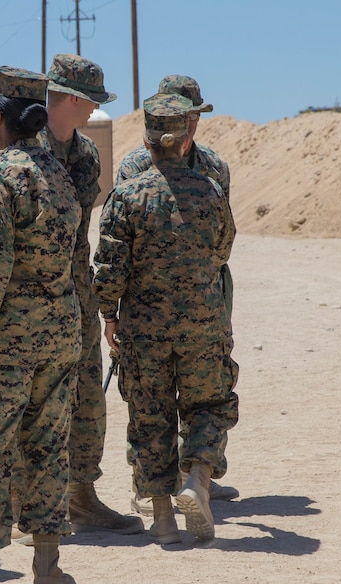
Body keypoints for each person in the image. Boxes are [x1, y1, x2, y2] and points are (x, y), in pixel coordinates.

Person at [0, 66, 82, 584]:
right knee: (48, 448)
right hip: (59, 337)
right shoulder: (61, 177)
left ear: (2, 118)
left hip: (7, 343)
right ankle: (48, 572)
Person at [94, 93, 239, 544]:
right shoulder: (210, 189)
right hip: (203, 322)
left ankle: (161, 519)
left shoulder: (127, 194)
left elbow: (110, 267)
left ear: (147, 139)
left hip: (144, 326)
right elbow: (222, 250)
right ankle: (196, 476)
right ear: (184, 139)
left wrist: (109, 317)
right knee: (209, 405)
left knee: (149, 414)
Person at [34, 53, 143, 538]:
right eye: (92, 101)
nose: (95, 109)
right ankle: (27, 504)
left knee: (87, 401)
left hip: (78, 297)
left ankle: (80, 496)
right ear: (74, 99)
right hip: (32, 304)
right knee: (33, 404)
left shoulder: (85, 153)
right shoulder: (24, 150)